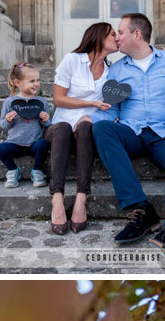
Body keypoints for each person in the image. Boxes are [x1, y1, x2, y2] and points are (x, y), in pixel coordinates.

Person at [91, 12, 165, 250]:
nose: (116, 37)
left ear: (137, 34)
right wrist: (89, 118)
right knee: (102, 128)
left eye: (120, 32)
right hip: (131, 132)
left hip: (164, 133)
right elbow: (110, 109)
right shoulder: (116, 70)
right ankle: (142, 209)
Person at [48, 23, 129, 237]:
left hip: (85, 129)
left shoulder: (112, 72)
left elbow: (111, 108)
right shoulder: (72, 60)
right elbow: (58, 99)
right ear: (99, 36)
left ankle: (81, 199)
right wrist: (92, 105)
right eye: (113, 34)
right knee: (65, 128)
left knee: (86, 126)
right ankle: (56, 198)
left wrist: (92, 115)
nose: (117, 38)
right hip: (60, 127)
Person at [0, 62, 53, 191]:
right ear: (17, 83)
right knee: (1, 149)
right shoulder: (10, 102)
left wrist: (46, 120)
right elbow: (3, 125)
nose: (36, 84)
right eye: (32, 81)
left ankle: (37, 170)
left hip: (34, 143)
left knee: (44, 144)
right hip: (15, 143)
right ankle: (13, 171)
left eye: (38, 80)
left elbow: (48, 125)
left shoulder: (41, 102)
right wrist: (8, 120)